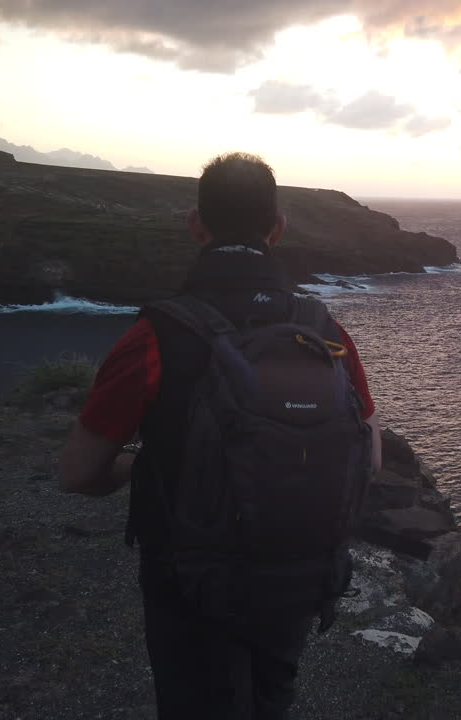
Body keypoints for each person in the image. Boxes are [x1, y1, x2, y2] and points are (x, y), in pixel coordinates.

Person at [57, 152, 382, 719]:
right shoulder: (324, 332)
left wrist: (148, 464)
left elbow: (78, 473)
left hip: (189, 584)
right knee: (270, 699)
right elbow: (370, 458)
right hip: (296, 577)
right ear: (277, 229)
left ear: (195, 224)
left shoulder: (156, 335)